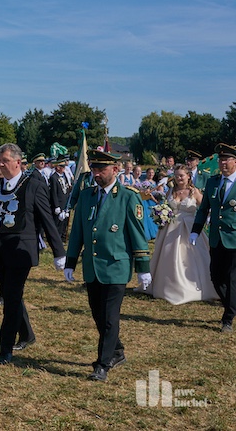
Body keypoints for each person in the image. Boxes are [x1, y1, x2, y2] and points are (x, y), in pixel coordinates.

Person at [0, 143, 66, 365]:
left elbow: (46, 218)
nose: (0, 165)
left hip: (21, 251)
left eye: (4, 161)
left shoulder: (33, 184)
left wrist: (59, 252)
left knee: (11, 298)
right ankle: (27, 334)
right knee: (9, 294)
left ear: (18, 162)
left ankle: (5, 349)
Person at [64, 149, 151, 382]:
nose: (96, 173)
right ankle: (117, 351)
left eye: (101, 169)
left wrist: (143, 267)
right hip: (92, 267)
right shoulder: (86, 196)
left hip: (116, 266)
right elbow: (78, 233)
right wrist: (70, 262)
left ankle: (102, 365)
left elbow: (137, 234)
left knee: (110, 317)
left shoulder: (127, 197)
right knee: (98, 316)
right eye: (94, 169)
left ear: (115, 170)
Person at [148, 164, 217, 304]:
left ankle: (193, 286)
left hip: (190, 228)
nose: (179, 178)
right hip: (170, 229)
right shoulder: (170, 191)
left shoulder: (194, 192)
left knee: (191, 257)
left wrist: (210, 219)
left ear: (188, 176)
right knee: (168, 256)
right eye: (177, 175)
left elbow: (205, 207)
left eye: (182, 175)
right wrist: (160, 214)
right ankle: (167, 285)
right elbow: (165, 206)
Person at [191, 143, 236, 333]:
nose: (222, 163)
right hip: (216, 237)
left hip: (234, 237)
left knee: (232, 278)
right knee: (216, 276)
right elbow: (204, 209)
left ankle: (228, 318)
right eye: (220, 159)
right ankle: (232, 306)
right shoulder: (212, 182)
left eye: (226, 159)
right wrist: (195, 230)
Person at [48, 155, 72, 242]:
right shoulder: (53, 177)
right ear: (57, 167)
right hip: (58, 203)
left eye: (64, 166)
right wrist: (56, 206)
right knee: (57, 223)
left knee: (64, 223)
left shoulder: (63, 176)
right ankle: (55, 238)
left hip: (65, 202)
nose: (64, 168)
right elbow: (53, 193)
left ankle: (62, 236)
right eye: (62, 166)